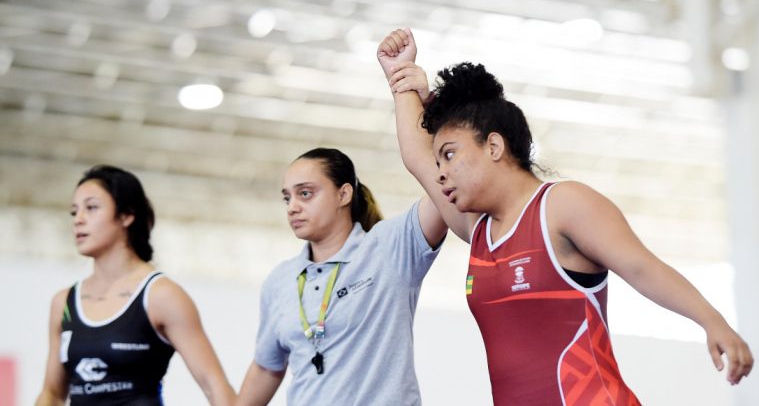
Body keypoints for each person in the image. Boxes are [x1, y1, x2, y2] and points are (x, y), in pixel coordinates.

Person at [376, 28, 754, 405]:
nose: (440, 172)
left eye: (449, 155)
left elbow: (642, 268)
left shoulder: (562, 206)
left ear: (493, 146)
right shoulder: (478, 230)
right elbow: (416, 158)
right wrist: (400, 76)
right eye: (439, 160)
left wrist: (711, 320)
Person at [236, 147, 449, 405]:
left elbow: (444, 187)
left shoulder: (388, 247)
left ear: (343, 194)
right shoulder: (280, 280)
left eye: (305, 193)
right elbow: (266, 368)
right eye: (287, 198)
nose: (292, 207)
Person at [35, 165, 235, 406]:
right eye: (74, 212)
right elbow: (52, 394)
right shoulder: (63, 302)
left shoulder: (161, 296)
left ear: (126, 215)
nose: (78, 220)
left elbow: (214, 385)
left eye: (91, 208)